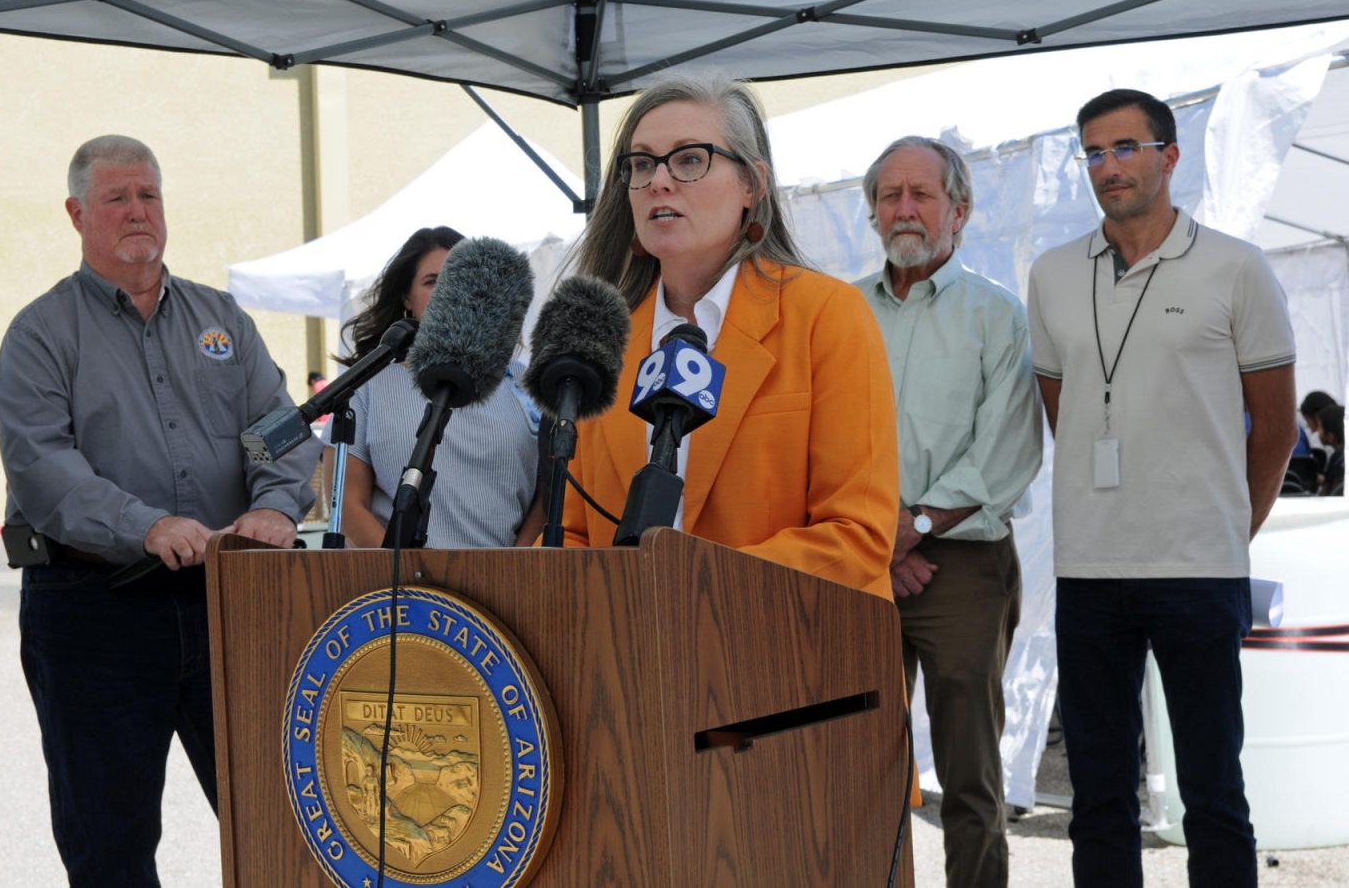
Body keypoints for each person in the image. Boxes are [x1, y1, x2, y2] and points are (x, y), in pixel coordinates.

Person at [0, 136, 318, 887]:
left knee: (278, 815)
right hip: (94, 609)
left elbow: (279, 430)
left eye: (149, 195)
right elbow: (44, 469)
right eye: (117, 198)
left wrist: (275, 505)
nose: (138, 211)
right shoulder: (39, 334)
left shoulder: (222, 320)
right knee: (110, 842)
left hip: (228, 600)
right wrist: (144, 524)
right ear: (77, 214)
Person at [1026, 89, 1297, 888]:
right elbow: (1062, 411)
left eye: (1125, 148)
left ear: (1169, 157)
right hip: (1089, 571)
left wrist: (1224, 530)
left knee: (1213, 792)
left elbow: (1275, 428)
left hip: (1198, 569)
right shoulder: (1051, 274)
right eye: (1094, 153)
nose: (1108, 166)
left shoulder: (1234, 267)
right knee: (1099, 798)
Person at [560, 74, 898, 598]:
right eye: (642, 164)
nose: (659, 181)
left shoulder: (827, 316)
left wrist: (693, 594)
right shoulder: (603, 345)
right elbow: (571, 537)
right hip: (628, 666)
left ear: (752, 185)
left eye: (690, 159)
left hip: (787, 661)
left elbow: (857, 537)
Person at [858, 137, 1042, 888]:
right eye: (890, 195)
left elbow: (1007, 446)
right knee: (856, 764)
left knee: (969, 776)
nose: (905, 209)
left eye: (922, 194)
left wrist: (918, 526)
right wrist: (883, 539)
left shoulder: (997, 315)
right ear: (872, 213)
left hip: (961, 563)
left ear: (958, 213)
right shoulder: (837, 313)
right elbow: (819, 440)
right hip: (858, 559)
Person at [326, 226, 543, 548]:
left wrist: (515, 571)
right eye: (432, 282)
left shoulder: (527, 384)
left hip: (508, 583)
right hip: (400, 588)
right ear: (406, 298)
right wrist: (410, 575)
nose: (446, 293)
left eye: (458, 281)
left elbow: (548, 495)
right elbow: (344, 504)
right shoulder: (367, 386)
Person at [1319, 403, 1344, 496]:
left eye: (1320, 427)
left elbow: (1327, 492)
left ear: (1330, 436)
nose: (1318, 431)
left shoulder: (1336, 458)